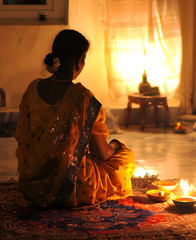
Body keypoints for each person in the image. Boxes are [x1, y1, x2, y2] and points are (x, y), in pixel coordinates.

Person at [14, 29, 135, 208]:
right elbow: (103, 153)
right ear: (79, 62)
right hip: (74, 186)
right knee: (126, 159)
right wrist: (117, 146)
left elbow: (23, 139)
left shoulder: (32, 90)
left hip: (31, 181)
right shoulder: (83, 98)